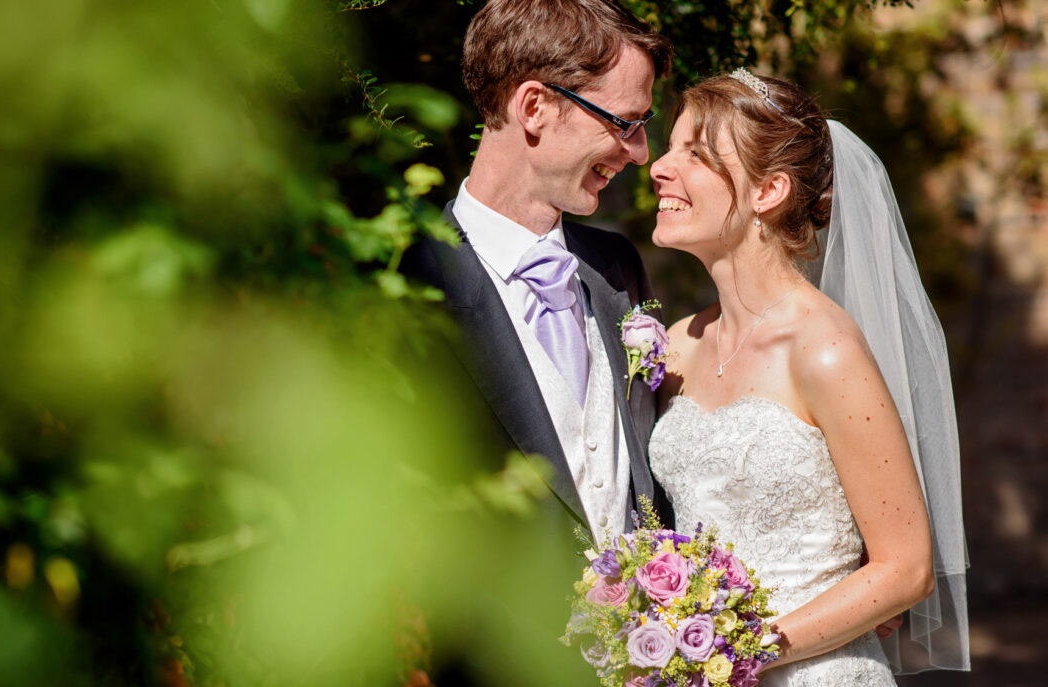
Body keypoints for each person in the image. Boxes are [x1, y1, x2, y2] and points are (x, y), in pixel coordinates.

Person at [646, 69, 970, 683]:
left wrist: (734, 652)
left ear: (767, 190)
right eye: (669, 147)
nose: (660, 167)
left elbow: (905, 569)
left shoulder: (825, 350)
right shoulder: (678, 346)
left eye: (694, 153)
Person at [402, 0, 674, 545]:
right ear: (535, 107)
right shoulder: (408, 287)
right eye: (625, 122)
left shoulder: (617, 269)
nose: (641, 153)